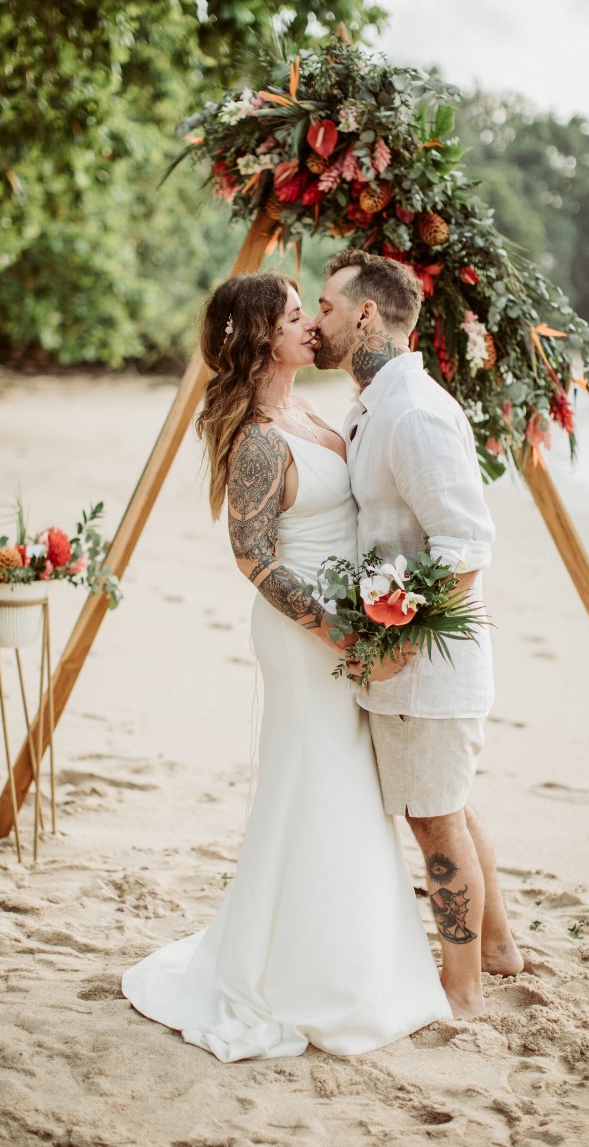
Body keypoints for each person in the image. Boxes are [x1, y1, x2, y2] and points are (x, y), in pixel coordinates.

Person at [122, 271, 450, 1061]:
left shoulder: (314, 412)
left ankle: (356, 959)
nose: (311, 326)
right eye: (297, 316)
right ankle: (308, 975)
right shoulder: (260, 438)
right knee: (319, 782)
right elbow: (253, 557)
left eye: (313, 311)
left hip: (346, 627)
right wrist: (337, 632)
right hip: (305, 638)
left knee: (347, 788)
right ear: (264, 337)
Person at [313, 249, 523, 1019]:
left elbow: (466, 543)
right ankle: (497, 950)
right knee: (446, 806)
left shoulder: (413, 413)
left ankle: (462, 991)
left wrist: (400, 639)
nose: (317, 321)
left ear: (366, 315)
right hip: (408, 664)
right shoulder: (372, 407)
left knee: (434, 821)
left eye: (327, 308)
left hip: (429, 666)